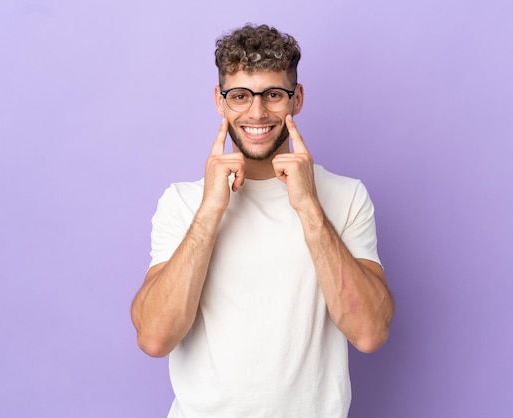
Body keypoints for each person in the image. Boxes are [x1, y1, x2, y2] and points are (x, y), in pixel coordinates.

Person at [131, 23, 394, 418]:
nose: (257, 112)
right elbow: (154, 337)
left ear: (297, 98)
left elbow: (370, 333)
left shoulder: (345, 196)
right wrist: (209, 212)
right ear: (220, 102)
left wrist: (308, 207)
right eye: (240, 96)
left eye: (273, 95)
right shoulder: (182, 203)